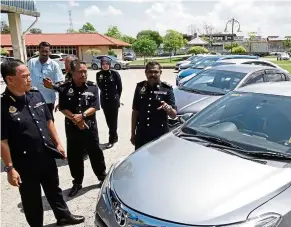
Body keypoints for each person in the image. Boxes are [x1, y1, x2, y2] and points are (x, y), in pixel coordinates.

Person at [0, 59, 85, 227]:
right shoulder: (2, 106)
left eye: (29, 75)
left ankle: (63, 216)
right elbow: (2, 141)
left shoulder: (35, 94)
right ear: (10, 79)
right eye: (25, 76)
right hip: (24, 162)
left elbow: (48, 121)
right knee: (31, 198)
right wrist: (10, 168)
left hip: (46, 153)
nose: (29, 79)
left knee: (54, 189)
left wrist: (58, 143)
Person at [58, 59, 107, 197]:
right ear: (71, 73)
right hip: (72, 128)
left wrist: (82, 115)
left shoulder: (92, 87)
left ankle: (102, 176)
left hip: (89, 127)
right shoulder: (64, 88)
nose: (83, 74)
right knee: (74, 156)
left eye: (85, 71)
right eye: (80, 72)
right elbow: (62, 107)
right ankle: (77, 182)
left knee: (95, 152)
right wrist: (75, 118)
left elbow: (95, 106)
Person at [130, 61, 177, 150]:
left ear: (160, 73)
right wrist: (133, 133)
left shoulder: (167, 89)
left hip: (159, 134)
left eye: (156, 72)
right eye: (150, 72)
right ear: (146, 73)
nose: (153, 74)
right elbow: (135, 111)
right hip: (142, 132)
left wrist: (168, 109)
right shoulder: (140, 87)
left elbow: (174, 115)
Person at [27, 41, 64, 121]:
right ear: (38, 51)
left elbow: (60, 83)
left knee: (48, 120)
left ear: (50, 51)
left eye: (46, 51)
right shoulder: (31, 62)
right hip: (32, 98)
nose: (44, 53)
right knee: (34, 120)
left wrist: (51, 85)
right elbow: (26, 77)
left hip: (48, 100)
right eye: (42, 51)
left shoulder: (54, 65)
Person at [96, 57, 122, 149]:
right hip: (104, 100)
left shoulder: (115, 73)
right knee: (108, 120)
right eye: (103, 64)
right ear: (101, 65)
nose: (105, 66)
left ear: (109, 65)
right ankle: (115, 136)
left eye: (107, 64)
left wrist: (117, 98)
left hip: (113, 100)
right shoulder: (98, 74)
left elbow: (119, 88)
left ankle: (111, 139)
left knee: (113, 121)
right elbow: (100, 86)